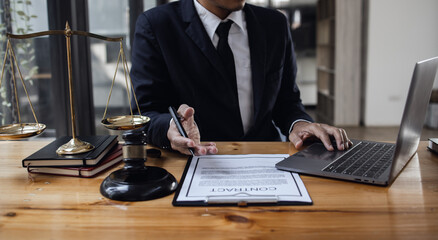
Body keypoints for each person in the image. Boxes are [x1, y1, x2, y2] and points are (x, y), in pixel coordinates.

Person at [130, 0, 353, 155]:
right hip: (197, 162)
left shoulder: (275, 24)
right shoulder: (156, 25)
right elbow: (144, 113)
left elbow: (287, 102)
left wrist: (300, 124)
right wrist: (171, 128)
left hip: (268, 160)